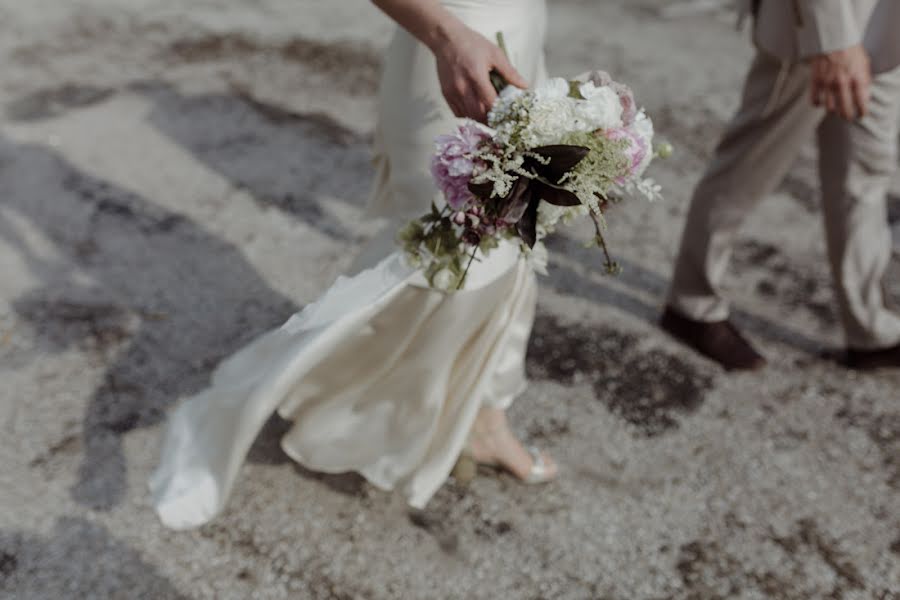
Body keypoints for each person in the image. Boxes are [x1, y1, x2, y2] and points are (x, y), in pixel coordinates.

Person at [150, 0, 556, 530]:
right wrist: (448, 37)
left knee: (517, 237)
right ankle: (322, 397)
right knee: (453, 262)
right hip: (456, 49)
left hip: (519, 34)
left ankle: (485, 416)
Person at [662, 0, 900, 371]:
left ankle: (871, 330)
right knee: (745, 170)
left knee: (865, 178)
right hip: (814, 33)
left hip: (885, 33)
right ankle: (692, 304)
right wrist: (832, 39)